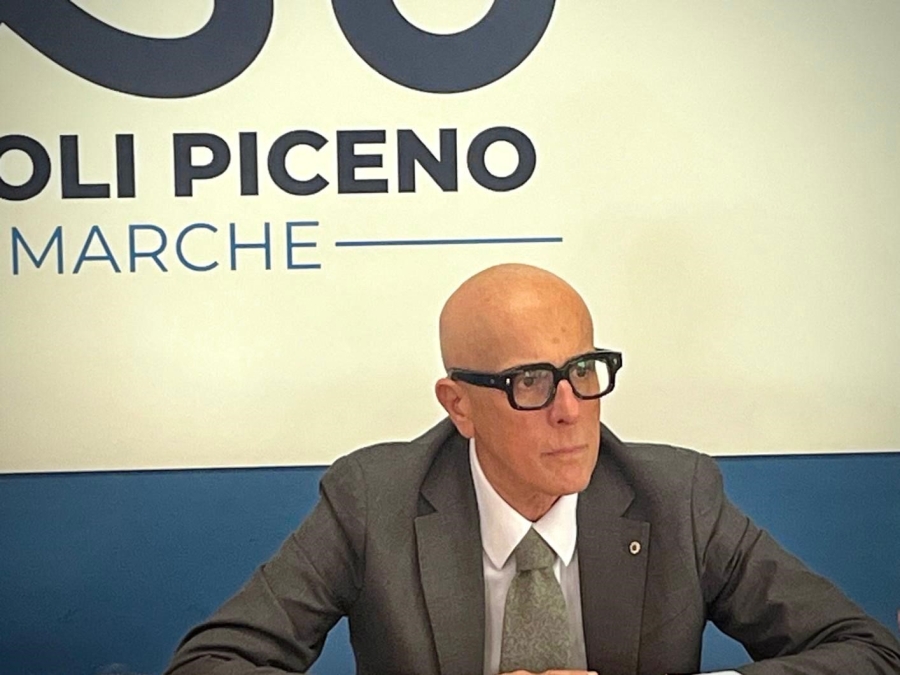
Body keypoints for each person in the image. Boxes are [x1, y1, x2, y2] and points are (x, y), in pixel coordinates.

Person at [165, 264, 900, 675]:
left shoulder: (676, 497)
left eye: (583, 370)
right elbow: (211, 662)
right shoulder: (374, 499)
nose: (571, 410)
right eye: (530, 381)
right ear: (459, 405)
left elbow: (867, 652)